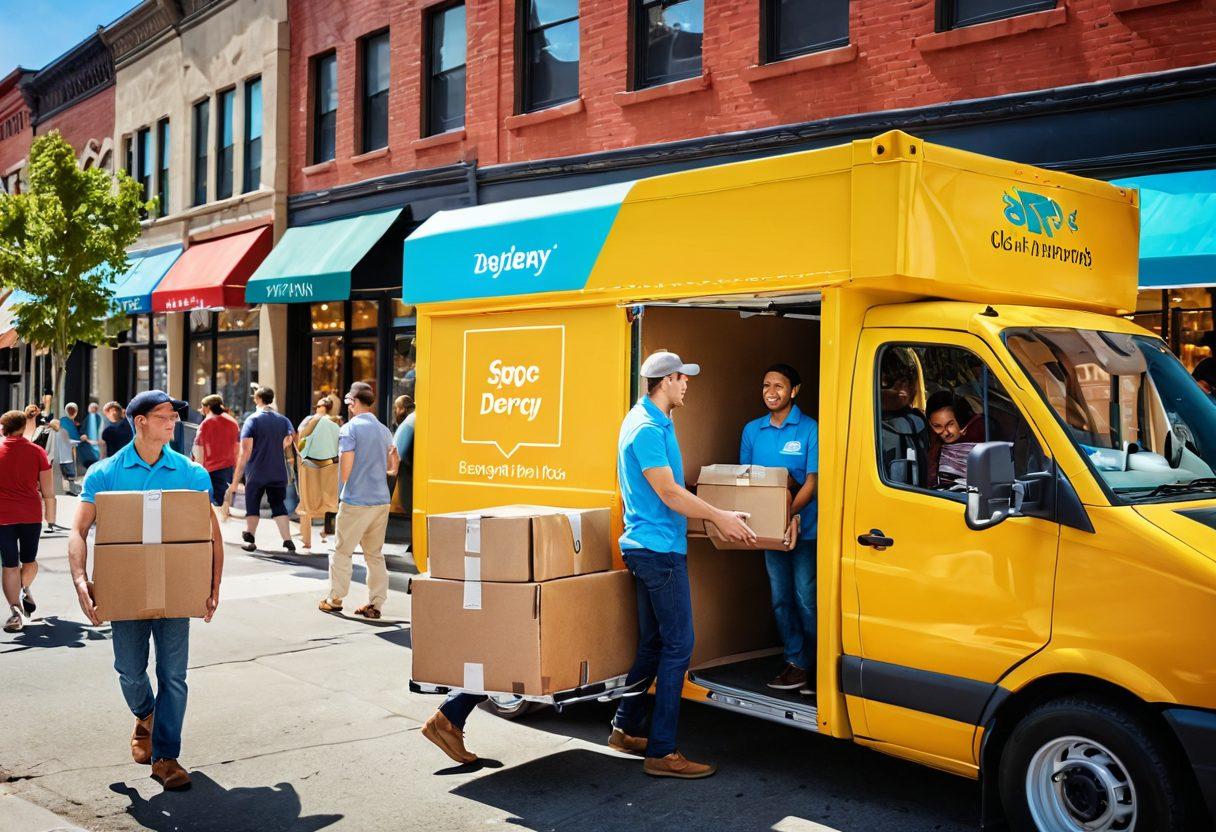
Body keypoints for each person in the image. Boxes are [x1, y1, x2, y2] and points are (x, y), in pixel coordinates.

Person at [67, 391, 224, 791]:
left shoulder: (191, 473)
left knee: (174, 675)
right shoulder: (105, 473)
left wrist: (213, 586)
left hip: (177, 590)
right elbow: (79, 530)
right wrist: (81, 581)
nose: (172, 422)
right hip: (126, 590)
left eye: (174, 416)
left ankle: (166, 755)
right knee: (130, 670)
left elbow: (211, 535)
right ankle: (145, 714)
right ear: (140, 422)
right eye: (163, 416)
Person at [739, 364, 819, 694]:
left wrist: (789, 514)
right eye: (766, 385)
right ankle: (796, 662)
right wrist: (769, 519)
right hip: (770, 530)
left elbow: (813, 482)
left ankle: (818, 666)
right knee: (780, 600)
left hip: (805, 529)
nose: (771, 392)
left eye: (779, 386)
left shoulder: (810, 429)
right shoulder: (752, 430)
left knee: (806, 598)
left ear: (794, 391)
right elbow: (745, 477)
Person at [318, 382, 398, 619]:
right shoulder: (384, 430)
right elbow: (393, 467)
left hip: (356, 499)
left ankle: (335, 599)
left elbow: (346, 463)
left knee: (343, 551)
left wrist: (342, 489)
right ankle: (376, 603)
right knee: (374, 554)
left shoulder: (349, 429)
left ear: (353, 403)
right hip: (381, 500)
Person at [224, 387, 297, 554]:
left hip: (256, 472)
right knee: (278, 505)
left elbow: (245, 452)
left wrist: (236, 480)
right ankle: (288, 541)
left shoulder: (252, 420)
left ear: (257, 399)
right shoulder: (283, 420)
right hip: (278, 471)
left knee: (253, 505)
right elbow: (289, 440)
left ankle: (250, 538)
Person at [0, 410, 54, 633]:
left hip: (3, 516)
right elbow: (48, 491)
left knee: (10, 566)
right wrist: (51, 517)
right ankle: (21, 594)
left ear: (3, 428)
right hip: (31, 515)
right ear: (24, 427)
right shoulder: (37, 452)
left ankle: (15, 610)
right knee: (29, 561)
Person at [296, 396, 341, 553]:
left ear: (322, 407)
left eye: (318, 405)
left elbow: (300, 437)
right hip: (331, 463)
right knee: (331, 500)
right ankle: (335, 538)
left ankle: (306, 539)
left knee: (307, 500)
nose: (316, 408)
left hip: (310, 464)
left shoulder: (312, 419)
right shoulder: (337, 423)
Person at [879, 348, 928, 487]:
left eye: (906, 381)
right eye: (890, 381)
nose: (903, 388)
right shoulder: (869, 425)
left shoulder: (918, 420)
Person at [926, 392, 986, 489]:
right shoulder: (931, 443)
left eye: (950, 424)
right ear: (930, 423)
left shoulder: (980, 432)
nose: (945, 432)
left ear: (960, 419)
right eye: (937, 426)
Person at [195, 395, 240, 508]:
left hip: (209, 469)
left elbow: (199, 450)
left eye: (203, 407)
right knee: (224, 503)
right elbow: (237, 449)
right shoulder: (233, 422)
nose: (202, 410)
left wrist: (197, 470)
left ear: (208, 407)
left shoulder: (206, 424)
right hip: (228, 469)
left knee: (209, 504)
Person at [391, 395, 415, 516]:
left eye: (397, 408)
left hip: (406, 472)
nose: (396, 411)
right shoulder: (414, 418)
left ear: (402, 409)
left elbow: (398, 451)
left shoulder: (409, 421)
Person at [51, 417, 80, 496]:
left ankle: (62, 490)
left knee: (61, 475)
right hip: (66, 457)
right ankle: (72, 490)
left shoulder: (51, 432)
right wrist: (76, 443)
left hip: (57, 458)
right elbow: (67, 442)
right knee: (70, 475)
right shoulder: (63, 431)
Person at [77, 402, 103, 473]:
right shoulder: (87, 417)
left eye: (92, 408)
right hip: (87, 442)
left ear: (96, 409)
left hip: (95, 442)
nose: (90, 409)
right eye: (90, 407)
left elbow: (99, 429)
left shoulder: (98, 417)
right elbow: (83, 428)